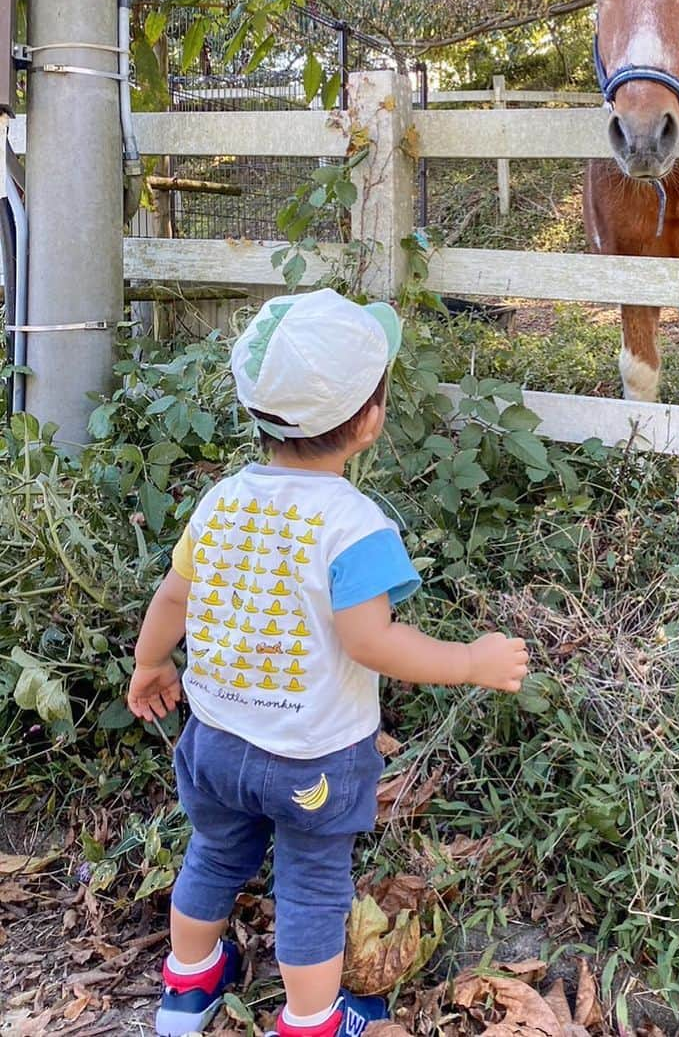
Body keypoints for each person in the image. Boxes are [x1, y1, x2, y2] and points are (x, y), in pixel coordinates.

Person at [127, 288, 529, 1037]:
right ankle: (311, 1019)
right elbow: (371, 641)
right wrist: (470, 660)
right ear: (371, 420)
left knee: (214, 853)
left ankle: (185, 991)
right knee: (311, 885)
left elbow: (173, 599)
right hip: (311, 758)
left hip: (213, 741)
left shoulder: (220, 502)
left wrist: (150, 664)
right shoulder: (355, 525)